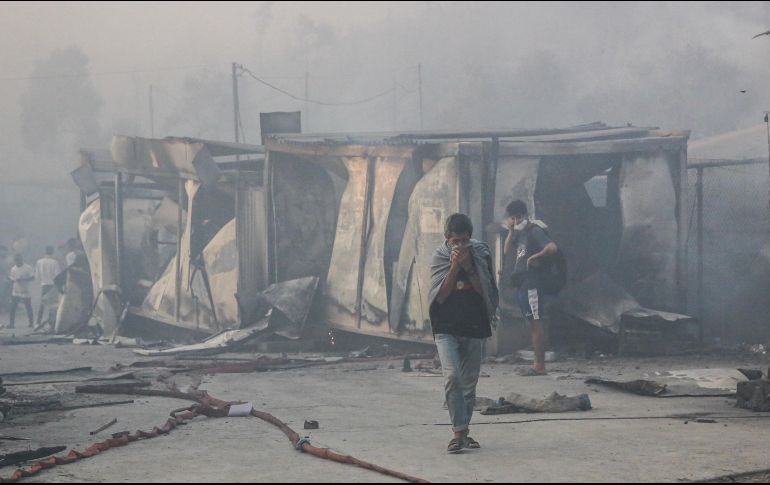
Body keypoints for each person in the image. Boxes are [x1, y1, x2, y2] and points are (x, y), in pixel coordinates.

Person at [428, 213, 498, 453]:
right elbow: (440, 296)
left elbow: (485, 291)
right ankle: (458, 432)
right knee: (452, 377)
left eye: (464, 241)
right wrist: (455, 267)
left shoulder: (480, 254)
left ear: (470, 238)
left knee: (469, 384)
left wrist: (469, 268)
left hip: (474, 325)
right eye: (455, 241)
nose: (459, 246)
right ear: (447, 239)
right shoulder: (440, 257)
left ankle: (463, 433)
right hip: (446, 326)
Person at [503, 200, 558, 376]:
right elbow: (506, 251)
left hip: (532, 282)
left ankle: (539, 365)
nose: (516, 221)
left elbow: (552, 247)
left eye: (518, 217)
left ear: (525, 215)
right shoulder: (520, 234)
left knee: (536, 322)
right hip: (522, 284)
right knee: (532, 323)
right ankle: (537, 363)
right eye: (513, 218)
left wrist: (536, 256)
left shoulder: (535, 231)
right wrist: (511, 230)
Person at [35, 246, 62, 328]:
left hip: (44, 285)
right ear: (52, 252)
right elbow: (57, 275)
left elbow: (37, 276)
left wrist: (39, 283)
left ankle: (38, 322)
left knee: (42, 304)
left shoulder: (39, 262)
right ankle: (51, 323)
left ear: (45, 252)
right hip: (52, 285)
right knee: (53, 305)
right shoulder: (55, 262)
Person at [8, 254, 34, 329]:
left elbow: (32, 277)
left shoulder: (28, 267)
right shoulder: (13, 269)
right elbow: (12, 278)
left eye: (18, 260)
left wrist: (23, 279)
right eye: (15, 261)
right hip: (15, 291)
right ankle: (11, 324)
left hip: (25, 291)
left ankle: (31, 323)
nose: (17, 262)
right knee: (13, 308)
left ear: (21, 260)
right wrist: (11, 280)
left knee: (28, 307)